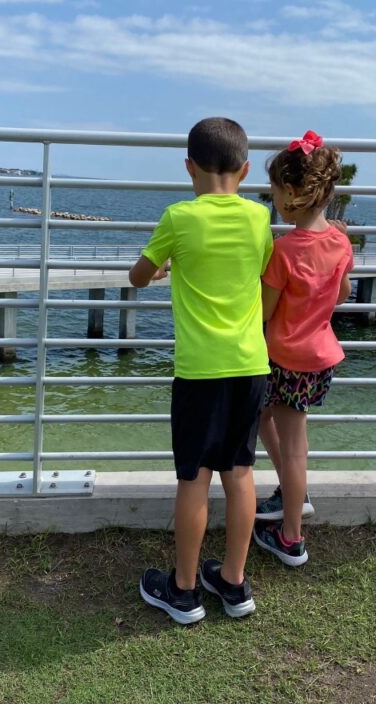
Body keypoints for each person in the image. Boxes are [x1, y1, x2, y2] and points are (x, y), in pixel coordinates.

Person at [131, 117, 271, 624]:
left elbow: (138, 276)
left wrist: (165, 266)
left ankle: (184, 591)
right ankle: (234, 583)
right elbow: (258, 267)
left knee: (194, 478)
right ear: (246, 169)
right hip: (251, 365)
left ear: (189, 167)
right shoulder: (258, 219)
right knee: (241, 473)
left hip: (199, 372)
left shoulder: (178, 217)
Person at [253, 130, 354, 567]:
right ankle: (290, 490)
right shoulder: (340, 241)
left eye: (275, 191)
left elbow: (263, 310)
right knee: (271, 423)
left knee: (293, 444)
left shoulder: (283, 251)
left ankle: (291, 536)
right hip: (319, 358)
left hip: (285, 358)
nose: (273, 199)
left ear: (292, 194)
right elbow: (342, 295)